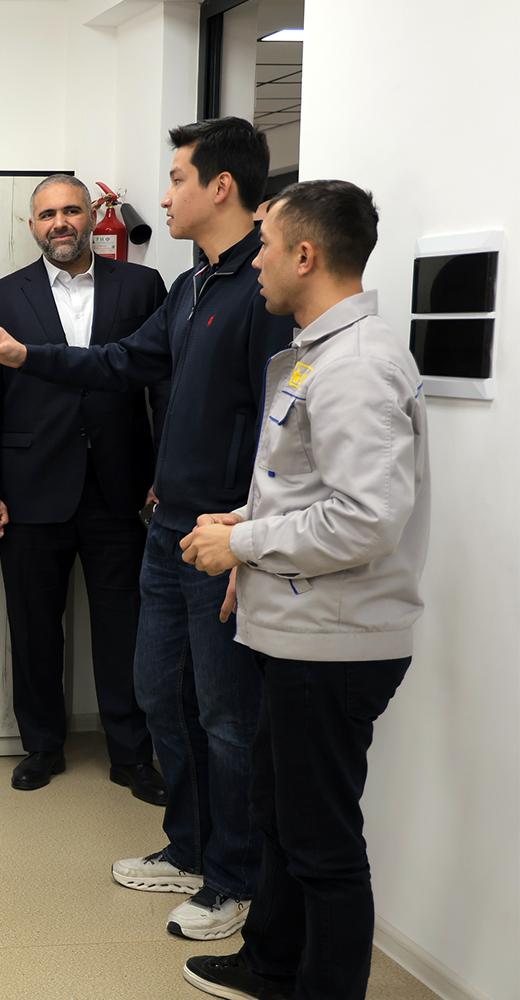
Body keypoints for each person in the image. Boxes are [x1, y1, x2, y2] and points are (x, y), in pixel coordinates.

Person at [0, 118, 295, 941]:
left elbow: (279, 424)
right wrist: (25, 355)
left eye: (177, 178)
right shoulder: (191, 287)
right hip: (166, 526)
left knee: (224, 716)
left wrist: (249, 529)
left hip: (219, 533)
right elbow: (122, 364)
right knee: (162, 694)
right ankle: (189, 847)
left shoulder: (262, 288)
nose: (164, 196)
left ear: (221, 186)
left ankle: (232, 878)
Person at [179, 180, 428, 1000]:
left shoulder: (357, 365)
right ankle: (271, 963)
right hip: (297, 628)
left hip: (335, 643)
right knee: (281, 817)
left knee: (321, 841)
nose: (256, 263)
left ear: (306, 254)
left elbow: (367, 520)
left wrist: (244, 544)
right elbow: (312, 488)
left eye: (266, 245)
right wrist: (245, 527)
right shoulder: (320, 352)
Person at [0, 174, 169, 803]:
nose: (60, 223)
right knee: (33, 627)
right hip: (29, 489)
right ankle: (42, 746)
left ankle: (130, 754)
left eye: (71, 210)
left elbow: (165, 386)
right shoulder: (1, 296)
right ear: (32, 226)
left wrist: (166, 475)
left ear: (91, 217)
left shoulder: (142, 286)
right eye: (47, 214)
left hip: (122, 487)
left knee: (124, 627)